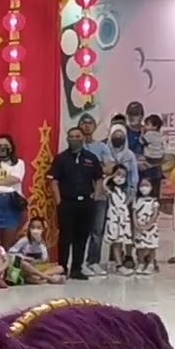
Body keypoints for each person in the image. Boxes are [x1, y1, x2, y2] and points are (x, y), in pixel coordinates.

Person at [49, 126, 102, 281]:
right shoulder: (61, 158)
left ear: (82, 138)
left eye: (77, 136)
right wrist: (59, 201)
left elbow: (98, 178)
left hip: (86, 203)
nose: (74, 139)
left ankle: (77, 269)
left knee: (82, 236)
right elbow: (54, 181)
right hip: (67, 203)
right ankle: (62, 268)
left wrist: (96, 196)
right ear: (67, 139)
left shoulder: (91, 158)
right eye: (71, 136)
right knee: (65, 237)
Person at [78, 114, 116, 276]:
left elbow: (109, 168)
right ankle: (79, 262)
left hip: (99, 194)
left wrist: (92, 166)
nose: (87, 126)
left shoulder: (102, 147)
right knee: (81, 230)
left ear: (94, 126)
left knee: (97, 230)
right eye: (83, 123)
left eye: (90, 123)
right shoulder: (75, 146)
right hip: (80, 193)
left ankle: (93, 261)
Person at [6, 217, 66, 285]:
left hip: (36, 267)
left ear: (42, 229)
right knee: (25, 264)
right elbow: (11, 252)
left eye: (38, 228)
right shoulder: (24, 240)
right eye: (33, 227)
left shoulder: (42, 243)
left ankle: (39, 278)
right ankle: (50, 278)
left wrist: (40, 246)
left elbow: (45, 258)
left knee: (60, 268)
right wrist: (25, 258)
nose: (35, 230)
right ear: (29, 229)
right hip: (25, 267)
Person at [103, 166, 133, 274]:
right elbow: (104, 184)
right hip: (114, 218)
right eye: (118, 174)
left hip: (123, 218)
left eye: (123, 175)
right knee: (116, 242)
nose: (120, 178)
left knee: (122, 241)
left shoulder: (123, 190)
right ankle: (119, 264)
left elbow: (127, 201)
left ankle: (118, 261)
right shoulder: (110, 190)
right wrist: (111, 176)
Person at [132, 176, 160, 276]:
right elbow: (134, 212)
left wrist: (149, 225)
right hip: (139, 226)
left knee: (151, 245)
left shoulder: (154, 200)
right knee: (140, 246)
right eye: (142, 185)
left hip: (151, 228)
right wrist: (136, 224)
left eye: (147, 185)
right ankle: (141, 262)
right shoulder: (137, 199)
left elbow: (155, 214)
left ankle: (151, 263)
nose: (144, 188)